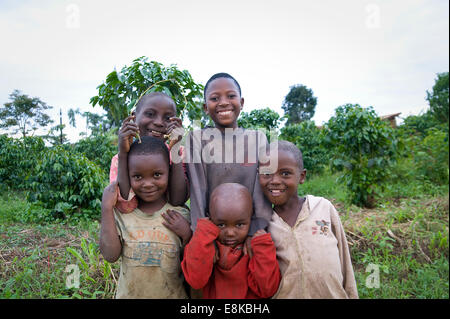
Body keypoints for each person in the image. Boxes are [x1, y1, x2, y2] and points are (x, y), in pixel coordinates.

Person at [258, 140, 359, 299]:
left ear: (302, 176)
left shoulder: (323, 208)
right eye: (267, 173)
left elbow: (345, 262)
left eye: (285, 173)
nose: (275, 180)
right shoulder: (263, 225)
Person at [185, 73, 272, 253]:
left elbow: (260, 190)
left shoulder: (257, 139)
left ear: (241, 102)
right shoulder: (197, 139)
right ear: (205, 107)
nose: (223, 102)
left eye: (231, 96)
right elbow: (198, 190)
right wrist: (203, 237)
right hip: (214, 232)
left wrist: (256, 230)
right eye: (215, 98)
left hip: (248, 231)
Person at [100, 136, 192, 298]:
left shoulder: (180, 215)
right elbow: (110, 256)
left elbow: (192, 265)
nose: (148, 184)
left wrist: (187, 235)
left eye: (157, 175)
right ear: (128, 176)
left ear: (169, 173)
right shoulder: (123, 215)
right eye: (138, 177)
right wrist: (106, 208)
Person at [181, 183, 281, 299]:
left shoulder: (255, 248)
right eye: (221, 225)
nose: (230, 233)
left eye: (239, 224)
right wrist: (204, 232)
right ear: (210, 217)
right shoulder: (204, 244)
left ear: (251, 218)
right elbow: (195, 281)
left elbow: (268, 289)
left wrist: (263, 246)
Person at [109, 91, 188, 213]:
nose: (159, 122)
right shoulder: (121, 158)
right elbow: (126, 205)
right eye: (150, 114)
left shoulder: (180, 154)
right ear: (134, 117)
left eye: (168, 118)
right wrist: (123, 154)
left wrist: (175, 149)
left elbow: (177, 200)